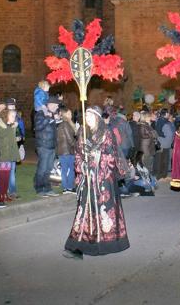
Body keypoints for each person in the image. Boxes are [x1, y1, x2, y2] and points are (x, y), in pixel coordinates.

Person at [63, 106, 129, 260]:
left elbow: (112, 156)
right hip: (87, 178)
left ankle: (106, 243)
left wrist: (95, 156)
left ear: (98, 118)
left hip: (103, 180)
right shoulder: (82, 132)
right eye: (86, 115)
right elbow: (77, 154)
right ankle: (78, 246)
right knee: (84, 212)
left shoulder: (106, 133)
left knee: (103, 210)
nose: (87, 118)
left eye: (91, 116)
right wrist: (83, 163)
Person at [34, 95, 60, 197]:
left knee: (49, 168)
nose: (56, 107)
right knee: (42, 168)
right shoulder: (40, 113)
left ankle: (47, 188)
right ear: (49, 104)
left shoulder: (52, 114)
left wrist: (56, 120)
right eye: (55, 105)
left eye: (57, 105)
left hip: (51, 145)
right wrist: (49, 118)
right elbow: (38, 127)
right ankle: (40, 188)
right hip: (43, 145)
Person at [0, 107, 20, 201]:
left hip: (9, 155)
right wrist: (8, 126)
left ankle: (5, 193)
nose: (14, 118)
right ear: (6, 116)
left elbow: (12, 141)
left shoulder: (12, 127)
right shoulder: (2, 127)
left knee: (7, 175)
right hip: (3, 155)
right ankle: (1, 194)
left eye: (15, 116)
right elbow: (2, 137)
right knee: (2, 175)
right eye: (12, 116)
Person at [56, 107, 77, 194]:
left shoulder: (62, 124)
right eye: (70, 113)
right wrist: (77, 145)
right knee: (71, 169)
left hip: (62, 151)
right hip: (67, 151)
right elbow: (70, 139)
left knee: (64, 170)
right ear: (66, 114)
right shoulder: (66, 124)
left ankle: (66, 188)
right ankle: (69, 187)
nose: (71, 115)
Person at [155, 109, 174, 179]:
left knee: (162, 160)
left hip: (163, 143)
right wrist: (162, 137)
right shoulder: (163, 122)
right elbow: (159, 131)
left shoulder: (161, 121)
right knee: (162, 160)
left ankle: (162, 174)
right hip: (164, 143)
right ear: (166, 114)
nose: (169, 115)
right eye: (168, 113)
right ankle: (161, 174)